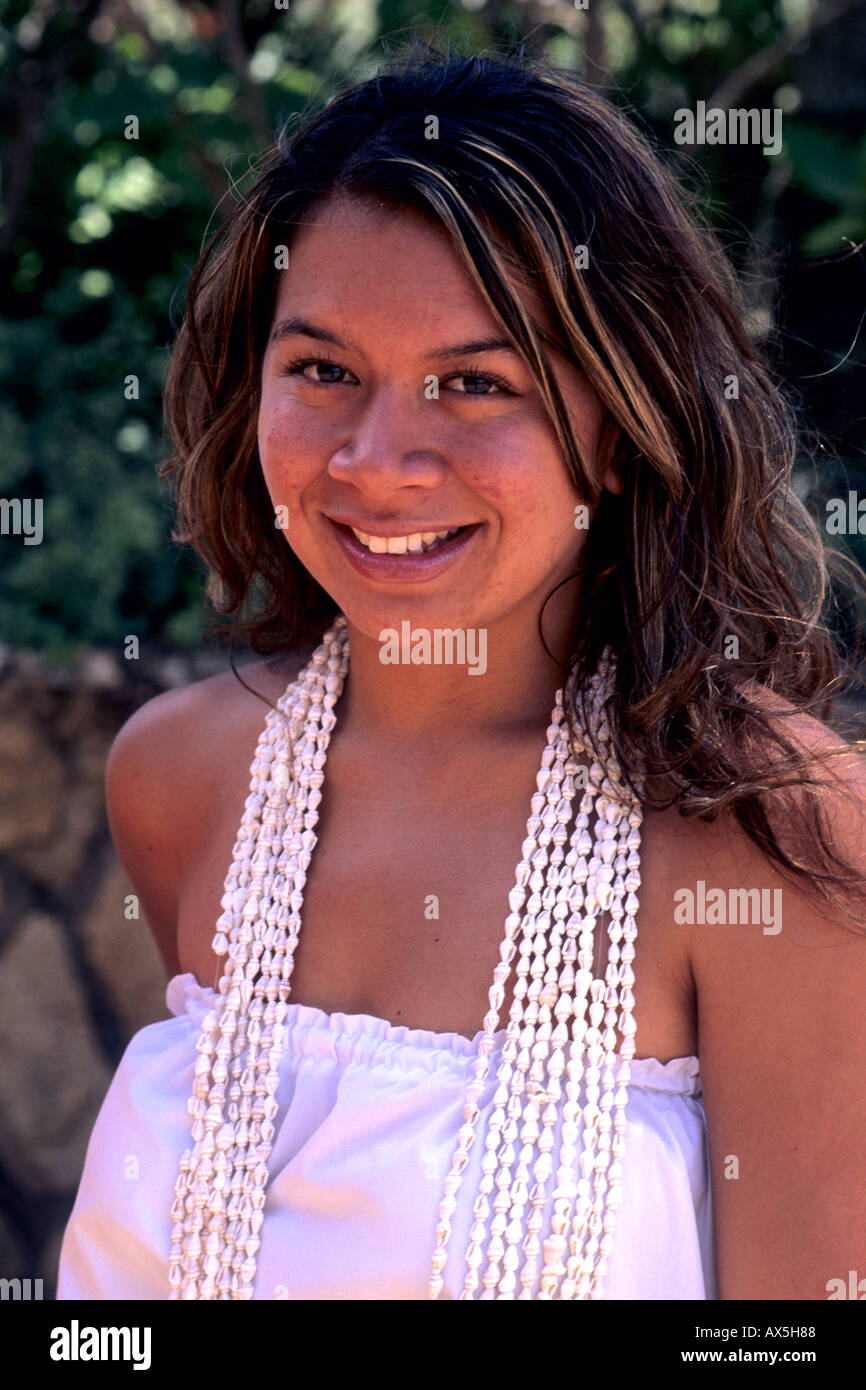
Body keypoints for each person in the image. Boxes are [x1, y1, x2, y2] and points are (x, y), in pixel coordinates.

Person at [57, 44, 866, 1301]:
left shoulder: (768, 834)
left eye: (476, 383)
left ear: (622, 426)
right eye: (322, 370)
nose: (378, 461)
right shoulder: (180, 777)